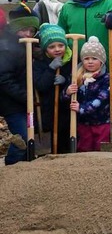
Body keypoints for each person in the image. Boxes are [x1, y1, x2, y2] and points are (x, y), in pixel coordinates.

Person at [0, 3, 40, 164]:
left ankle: (24, 170)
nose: (28, 33)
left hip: (24, 103)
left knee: (30, 135)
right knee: (23, 137)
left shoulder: (26, 47)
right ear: (15, 28)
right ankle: (11, 171)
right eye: (24, 30)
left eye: (31, 31)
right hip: (11, 104)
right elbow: (4, 79)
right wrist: (25, 96)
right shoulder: (6, 48)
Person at [64, 36, 110, 152]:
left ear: (101, 61)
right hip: (83, 123)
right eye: (86, 58)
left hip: (102, 122)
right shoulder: (77, 77)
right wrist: (67, 92)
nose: (90, 61)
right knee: (84, 148)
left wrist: (82, 108)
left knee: (100, 148)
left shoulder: (106, 78)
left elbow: (101, 100)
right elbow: (64, 99)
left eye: (94, 58)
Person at [34, 23, 73, 153]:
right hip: (48, 109)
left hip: (66, 109)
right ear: (45, 49)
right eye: (52, 47)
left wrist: (65, 81)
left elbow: (76, 82)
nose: (57, 49)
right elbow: (41, 86)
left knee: (65, 139)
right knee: (51, 142)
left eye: (61, 45)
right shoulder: (40, 63)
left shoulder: (70, 61)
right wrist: (51, 69)